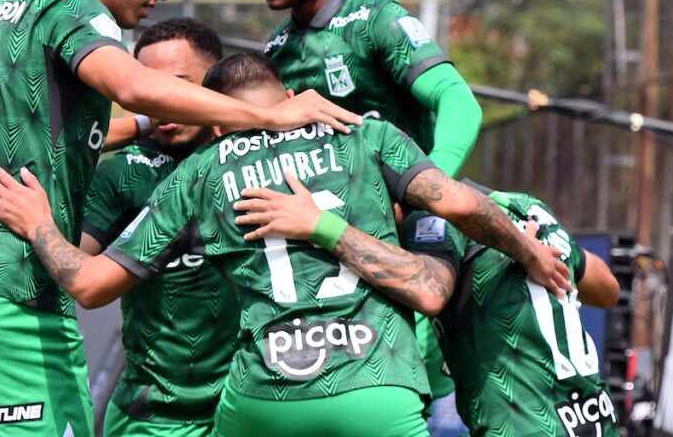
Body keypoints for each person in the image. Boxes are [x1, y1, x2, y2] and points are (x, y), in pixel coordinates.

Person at [0, 0, 361, 436]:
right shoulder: (76, 10)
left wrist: (149, 125)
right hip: (9, 280)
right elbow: (129, 84)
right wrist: (266, 116)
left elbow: (54, 130)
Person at [0, 53, 569, 437]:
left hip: (266, 399)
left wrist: (38, 226)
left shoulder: (199, 171)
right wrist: (529, 251)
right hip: (377, 388)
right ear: (290, 94)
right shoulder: (366, 137)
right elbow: (462, 205)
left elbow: (90, 284)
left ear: (218, 118)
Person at [246, 0, 485, 409]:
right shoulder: (278, 48)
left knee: (412, 387)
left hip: (404, 249)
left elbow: (460, 103)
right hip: (327, 249)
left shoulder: (374, 19)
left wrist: (423, 190)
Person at [238, 177, 621, 436]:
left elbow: (428, 290)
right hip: (597, 416)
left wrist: (320, 225)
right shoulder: (527, 208)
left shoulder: (431, 221)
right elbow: (608, 289)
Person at [80, 18, 239, 436]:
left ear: (215, 83)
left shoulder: (258, 160)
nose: (161, 100)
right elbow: (76, 267)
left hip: (246, 410)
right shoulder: (124, 174)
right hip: (150, 420)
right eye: (148, 88)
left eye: (176, 85)